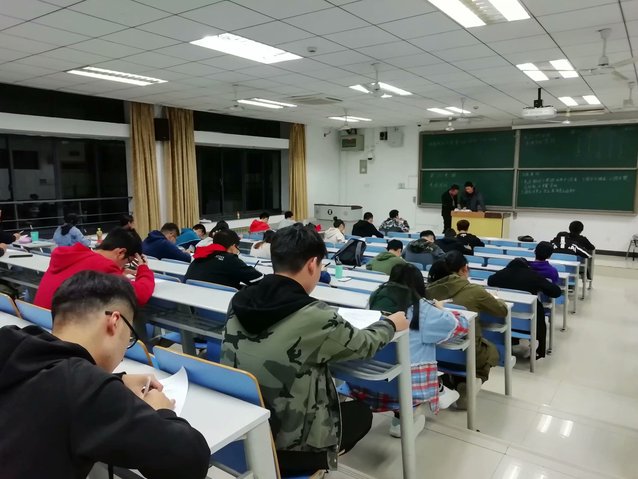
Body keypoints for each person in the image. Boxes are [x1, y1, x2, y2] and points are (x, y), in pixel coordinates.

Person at [221, 224, 408, 476]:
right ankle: (316, 466)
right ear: (312, 264)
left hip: (245, 428)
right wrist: (390, 324)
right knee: (361, 413)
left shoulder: (239, 299)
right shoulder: (315, 315)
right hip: (291, 449)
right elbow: (365, 345)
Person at [0, 271, 210, 478]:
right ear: (115, 322)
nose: (124, 352)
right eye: (129, 337)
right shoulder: (84, 386)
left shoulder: (14, 344)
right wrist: (162, 411)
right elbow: (190, 462)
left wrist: (117, 380)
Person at [350, 263, 468, 437]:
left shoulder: (375, 298)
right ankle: (409, 416)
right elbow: (460, 326)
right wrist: (442, 309)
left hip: (367, 379)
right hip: (405, 386)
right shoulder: (422, 308)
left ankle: (437, 392)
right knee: (418, 352)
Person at [426, 252, 507, 409]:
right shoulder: (475, 291)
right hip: (467, 352)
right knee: (491, 351)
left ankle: (452, 381)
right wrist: (498, 299)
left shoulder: (427, 290)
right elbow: (502, 310)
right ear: (464, 269)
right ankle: (471, 384)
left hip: (435, 351)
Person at [34, 227, 155, 310]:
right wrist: (143, 269)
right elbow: (140, 295)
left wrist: (120, 270)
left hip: (41, 324)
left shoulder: (73, 255)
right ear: (121, 252)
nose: (125, 265)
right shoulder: (103, 266)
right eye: (128, 261)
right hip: (63, 335)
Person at [487, 258, 562, 359]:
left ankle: (511, 341)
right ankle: (539, 351)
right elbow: (556, 292)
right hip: (529, 323)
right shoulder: (533, 276)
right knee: (538, 310)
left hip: (503, 319)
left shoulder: (501, 274)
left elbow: (489, 282)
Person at [186, 229, 263, 290]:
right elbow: (259, 280)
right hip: (222, 302)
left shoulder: (200, 255)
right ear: (233, 246)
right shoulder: (230, 260)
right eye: (237, 247)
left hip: (195, 300)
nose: (238, 250)